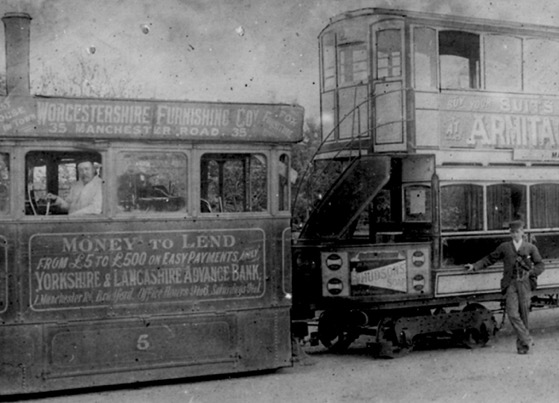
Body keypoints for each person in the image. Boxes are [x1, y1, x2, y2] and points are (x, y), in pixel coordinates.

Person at [465, 220, 544, 354]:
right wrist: (475, 266)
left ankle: (523, 347)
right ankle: (527, 338)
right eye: (512, 232)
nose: (515, 235)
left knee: (524, 315)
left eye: (517, 232)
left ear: (522, 232)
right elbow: (490, 258)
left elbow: (540, 265)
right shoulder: (504, 247)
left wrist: (530, 273)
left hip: (525, 284)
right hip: (510, 284)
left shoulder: (530, 247)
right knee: (512, 313)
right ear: (510, 233)